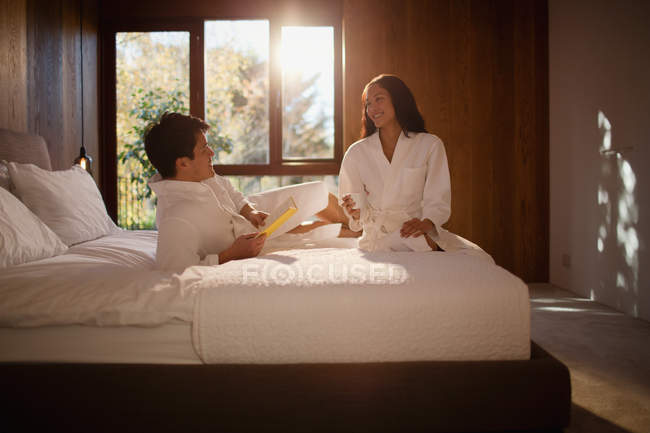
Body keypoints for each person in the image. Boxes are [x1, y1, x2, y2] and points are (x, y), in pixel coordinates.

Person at [144, 112, 348, 273]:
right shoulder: (175, 218)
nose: (212, 153)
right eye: (204, 148)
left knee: (316, 192)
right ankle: (360, 229)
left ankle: (361, 222)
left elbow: (232, 193)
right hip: (244, 240)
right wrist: (230, 254)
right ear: (183, 163)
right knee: (313, 232)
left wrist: (249, 211)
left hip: (249, 216)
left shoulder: (199, 175)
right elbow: (174, 272)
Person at [338, 74, 450, 252]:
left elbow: (438, 199)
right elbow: (358, 212)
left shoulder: (429, 145)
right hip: (376, 236)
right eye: (368, 104)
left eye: (379, 99)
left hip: (415, 232)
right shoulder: (356, 153)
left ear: (399, 100)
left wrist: (425, 224)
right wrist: (356, 213)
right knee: (393, 244)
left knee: (418, 241)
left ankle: (429, 245)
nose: (372, 108)